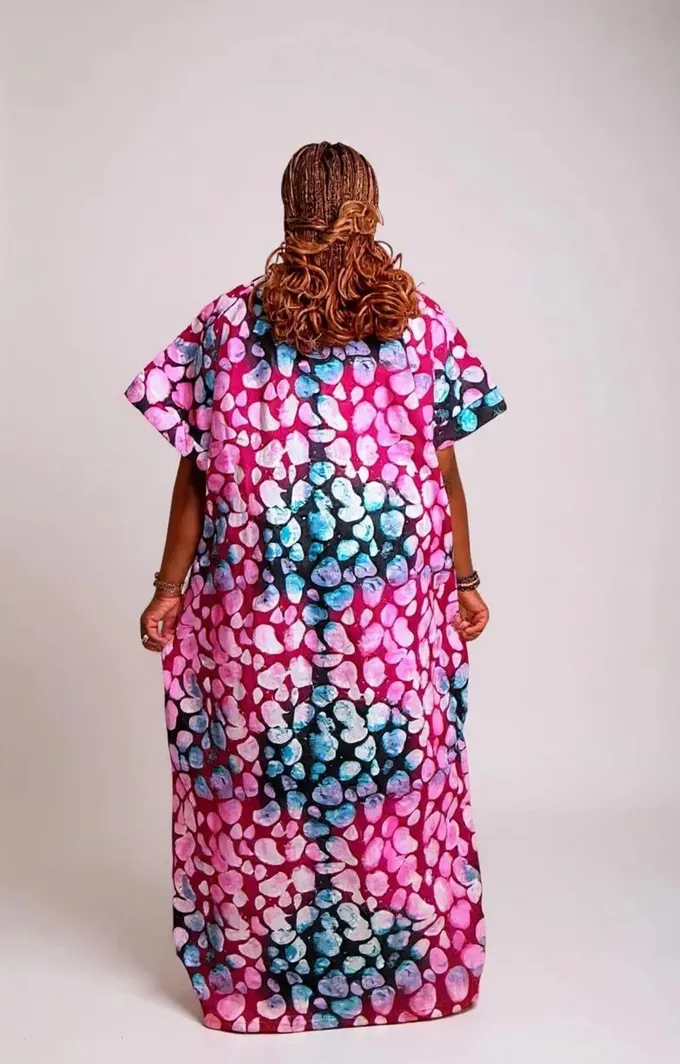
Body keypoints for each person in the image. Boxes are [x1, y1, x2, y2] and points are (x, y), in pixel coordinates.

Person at [125, 141, 507, 1034]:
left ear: (291, 208)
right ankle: (406, 973)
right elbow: (445, 472)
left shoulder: (228, 322)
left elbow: (195, 474)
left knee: (264, 783)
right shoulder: (420, 324)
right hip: (391, 617)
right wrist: (464, 579)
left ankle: (261, 982)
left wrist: (168, 587)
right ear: (370, 209)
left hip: (263, 616)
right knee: (395, 785)